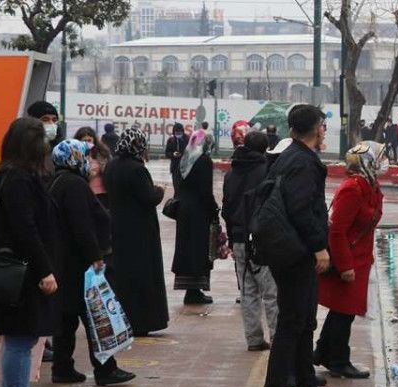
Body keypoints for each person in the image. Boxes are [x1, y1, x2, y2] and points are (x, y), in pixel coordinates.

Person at [0, 117, 61, 387]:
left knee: (18, 337)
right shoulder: (19, 179)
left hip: (13, 269)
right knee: (21, 338)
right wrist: (44, 270)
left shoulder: (4, 175)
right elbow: (25, 228)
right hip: (23, 272)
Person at [262, 104, 335, 387]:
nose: (325, 131)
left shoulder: (291, 156)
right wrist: (320, 247)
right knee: (293, 322)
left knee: (304, 321)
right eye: (323, 126)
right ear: (317, 128)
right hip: (295, 252)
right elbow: (302, 210)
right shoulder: (303, 163)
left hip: (289, 250)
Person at [48, 140, 135, 386]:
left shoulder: (57, 181)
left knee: (67, 317)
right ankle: (105, 369)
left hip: (64, 261)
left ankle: (62, 367)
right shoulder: (75, 184)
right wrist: (95, 255)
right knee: (95, 317)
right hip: (79, 263)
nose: (89, 162)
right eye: (84, 156)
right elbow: (82, 225)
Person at [315, 143, 385, 379]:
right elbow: (337, 231)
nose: (384, 162)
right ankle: (337, 360)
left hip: (361, 258)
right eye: (379, 158)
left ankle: (325, 352)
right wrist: (345, 266)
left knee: (345, 310)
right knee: (344, 310)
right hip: (348, 260)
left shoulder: (370, 186)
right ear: (367, 162)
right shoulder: (352, 189)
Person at [103, 128, 170, 336]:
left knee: (123, 277)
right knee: (142, 276)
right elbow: (149, 197)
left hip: (118, 228)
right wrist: (160, 190)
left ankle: (124, 320)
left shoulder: (112, 166)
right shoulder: (136, 169)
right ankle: (142, 320)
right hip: (139, 232)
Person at [223, 129, 278, 351]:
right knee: (271, 292)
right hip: (261, 238)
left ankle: (253, 338)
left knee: (247, 291)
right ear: (265, 147)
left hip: (237, 237)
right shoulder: (266, 171)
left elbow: (226, 207)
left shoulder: (231, 173)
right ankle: (277, 339)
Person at [172, 128, 219, 304]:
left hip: (184, 210)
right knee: (198, 250)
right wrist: (214, 209)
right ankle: (195, 291)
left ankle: (190, 290)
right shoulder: (204, 161)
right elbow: (205, 191)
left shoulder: (186, 158)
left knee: (186, 249)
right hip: (199, 211)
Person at [74, 126, 111, 202]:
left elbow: (109, 171)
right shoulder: (75, 154)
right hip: (84, 194)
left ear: (94, 140)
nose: (87, 143)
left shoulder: (102, 153)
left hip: (102, 194)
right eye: (84, 140)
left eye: (89, 140)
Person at [164, 122, 188, 187]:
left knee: (184, 187)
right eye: (176, 133)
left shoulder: (187, 139)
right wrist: (173, 154)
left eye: (180, 133)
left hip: (186, 168)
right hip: (175, 167)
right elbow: (167, 153)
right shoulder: (171, 140)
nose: (178, 134)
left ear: (182, 132)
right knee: (176, 186)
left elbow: (191, 152)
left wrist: (183, 154)